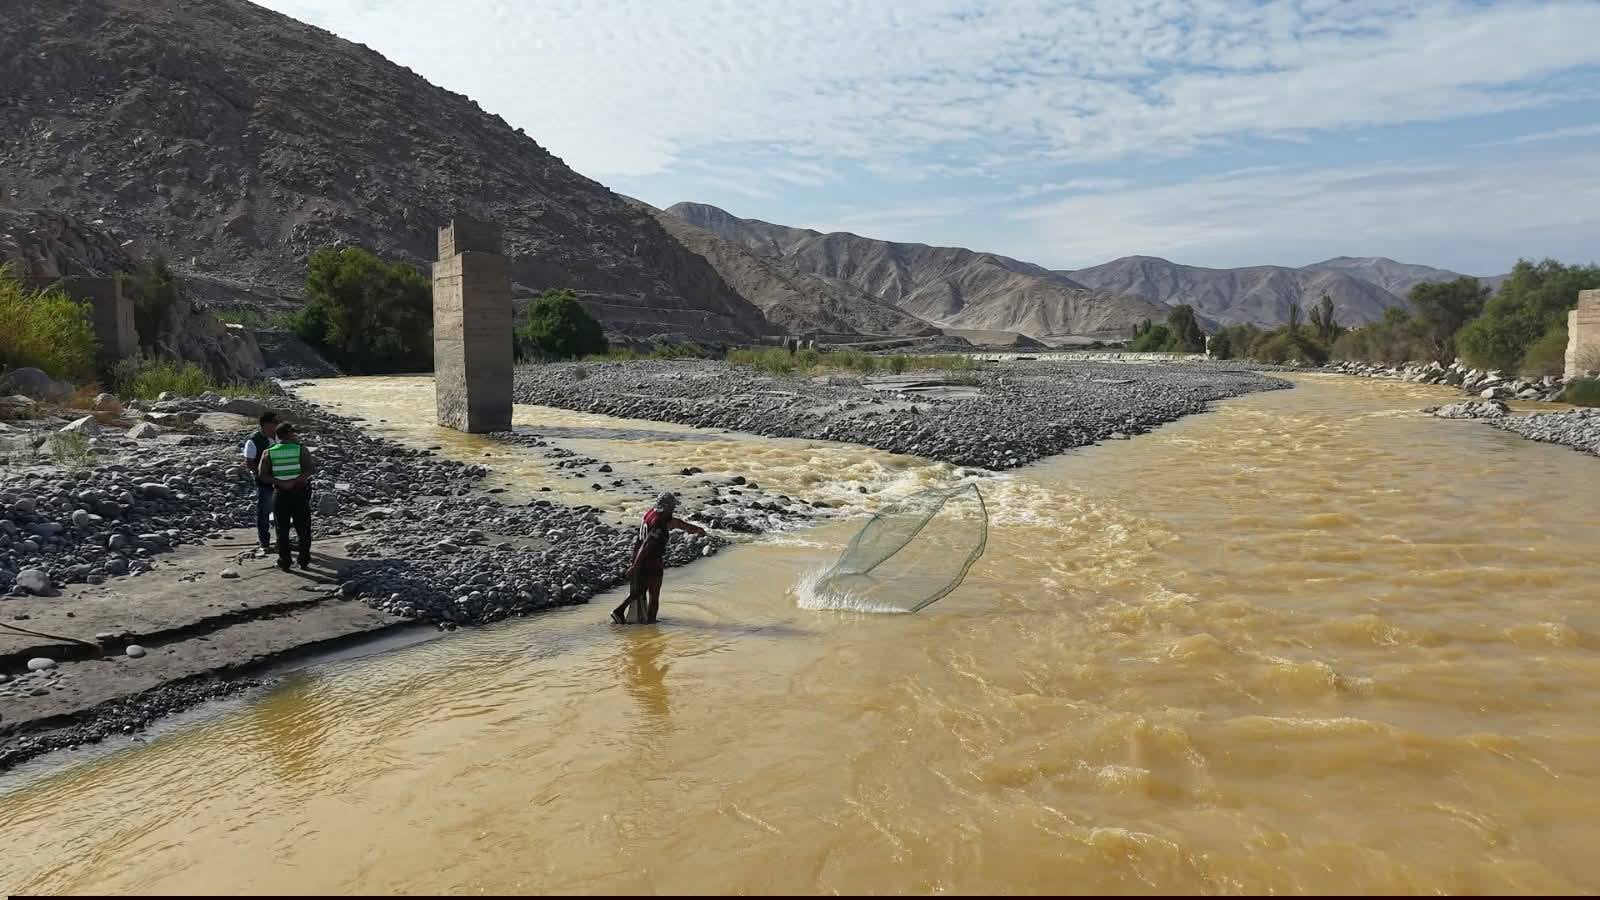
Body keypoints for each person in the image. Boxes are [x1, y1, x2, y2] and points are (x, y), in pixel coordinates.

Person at [611, 493, 705, 625]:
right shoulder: (659, 524)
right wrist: (635, 566)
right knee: (654, 595)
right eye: (672, 508)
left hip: (639, 557)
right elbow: (646, 544)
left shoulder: (651, 513)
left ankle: (621, 611)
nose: (673, 510)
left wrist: (693, 529)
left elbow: (674, 522)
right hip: (651, 560)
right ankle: (651, 624)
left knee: (641, 589)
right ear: (666, 509)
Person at [257, 423, 318, 571]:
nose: (295, 435)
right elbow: (310, 469)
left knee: (281, 529)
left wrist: (280, 482)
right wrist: (295, 481)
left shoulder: (269, 452)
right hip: (299, 493)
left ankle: (285, 561)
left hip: (280, 494)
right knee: (303, 528)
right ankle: (304, 560)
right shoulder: (300, 449)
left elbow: (262, 475)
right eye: (293, 433)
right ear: (289, 434)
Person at [240, 410, 279, 551]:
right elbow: (249, 462)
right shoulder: (253, 440)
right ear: (266, 424)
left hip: (281, 480)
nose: (277, 425)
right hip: (264, 481)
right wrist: (260, 474)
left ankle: (282, 540)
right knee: (264, 511)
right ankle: (264, 541)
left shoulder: (279, 437)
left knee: (282, 510)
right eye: (275, 423)